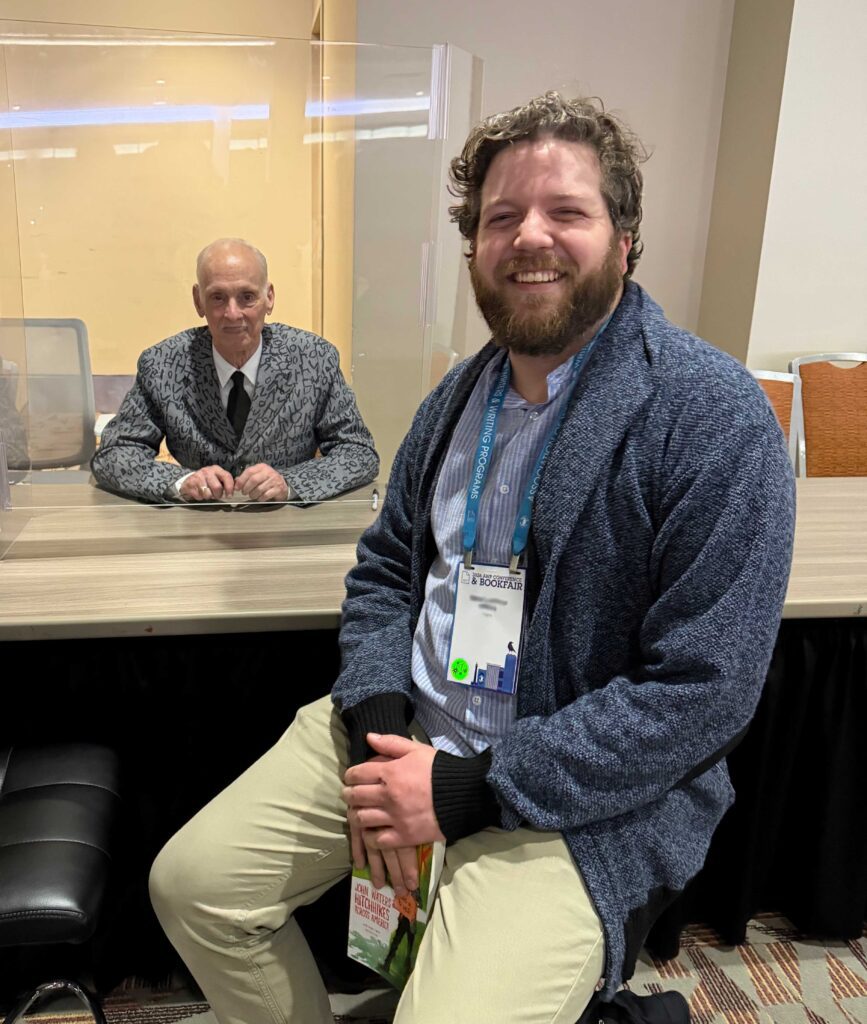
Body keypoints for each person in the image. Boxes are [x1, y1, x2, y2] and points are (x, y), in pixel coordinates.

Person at [149, 94, 795, 1023]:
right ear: (472, 248)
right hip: (405, 726)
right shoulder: (459, 395)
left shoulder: (709, 415)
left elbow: (704, 690)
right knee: (196, 889)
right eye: (500, 217)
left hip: (573, 790)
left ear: (623, 241)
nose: (528, 235)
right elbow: (385, 569)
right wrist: (380, 720)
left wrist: (468, 788)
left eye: (565, 211)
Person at [91, 238, 378, 503]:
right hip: (197, 525)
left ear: (269, 298)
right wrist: (182, 482)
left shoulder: (314, 359)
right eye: (218, 297)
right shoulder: (162, 365)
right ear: (198, 300)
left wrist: (290, 483)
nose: (232, 313)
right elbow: (114, 454)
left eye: (247, 297)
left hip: (288, 524)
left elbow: (358, 453)